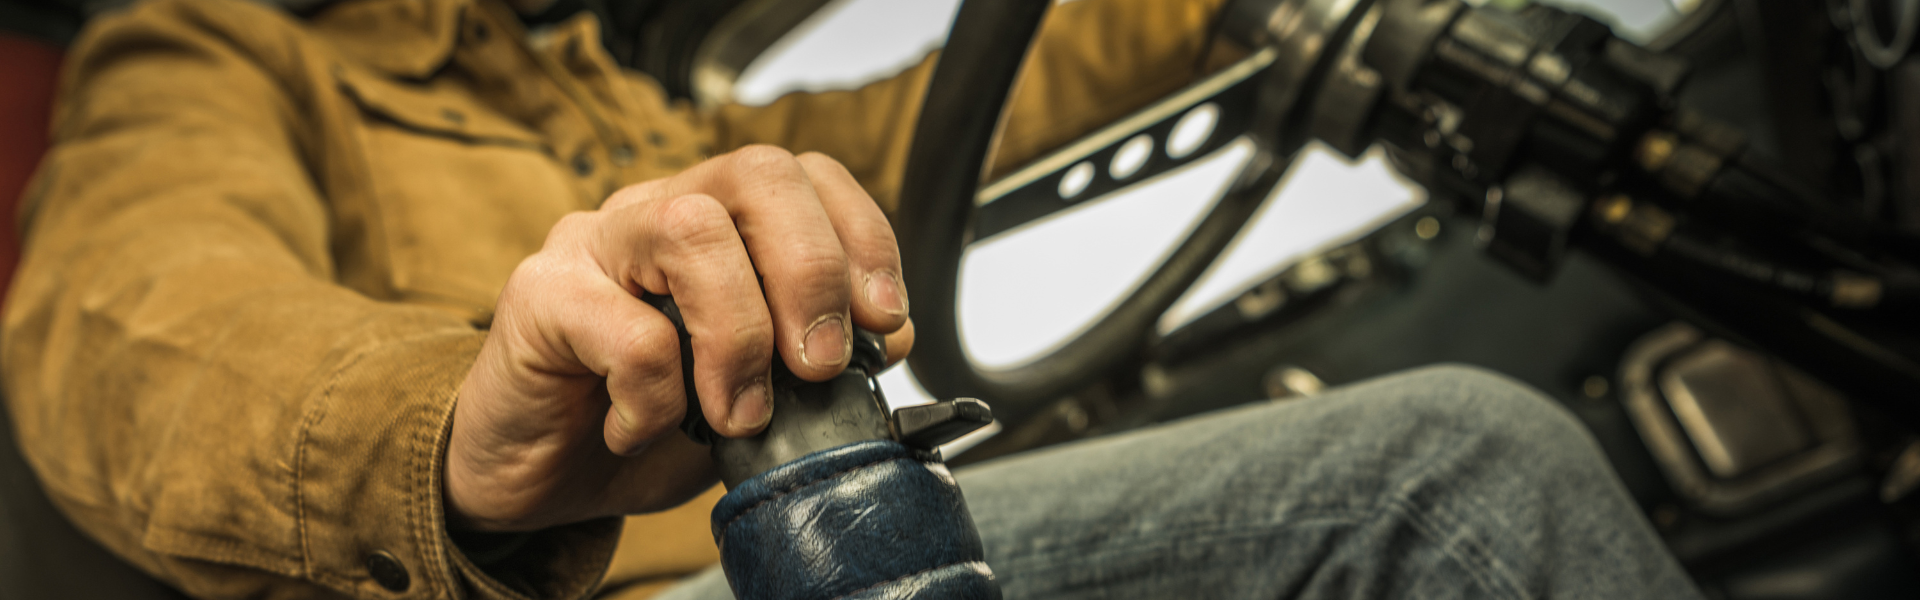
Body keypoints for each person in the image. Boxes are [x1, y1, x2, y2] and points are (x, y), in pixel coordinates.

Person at [0, 0, 1705, 597]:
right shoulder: (221, 47)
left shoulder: (626, 97)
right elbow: (137, 324)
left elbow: (950, 107)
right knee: (1433, 482)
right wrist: (451, 436)